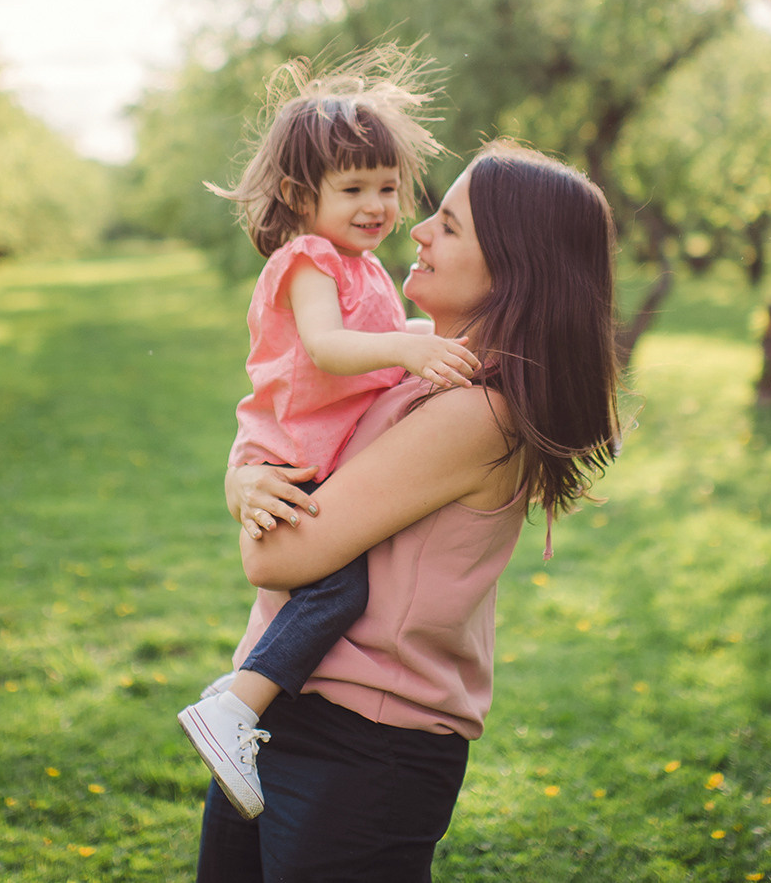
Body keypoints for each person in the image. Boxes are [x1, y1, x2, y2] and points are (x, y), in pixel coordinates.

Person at [195, 140, 622, 882]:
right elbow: (285, 417)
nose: (415, 229)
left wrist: (256, 493)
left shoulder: (477, 414)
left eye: (450, 226)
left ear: (516, 267)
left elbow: (275, 555)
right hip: (280, 713)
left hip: (361, 746)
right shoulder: (417, 362)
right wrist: (242, 479)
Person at [179, 59, 482, 820]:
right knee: (340, 585)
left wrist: (420, 338)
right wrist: (411, 349)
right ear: (298, 195)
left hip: (313, 450)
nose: (378, 205)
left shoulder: (367, 267)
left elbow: (379, 335)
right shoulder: (310, 262)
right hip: (293, 456)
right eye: (353, 189)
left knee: (329, 583)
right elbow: (325, 348)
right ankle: (237, 704)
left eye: (387, 185)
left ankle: (244, 700)